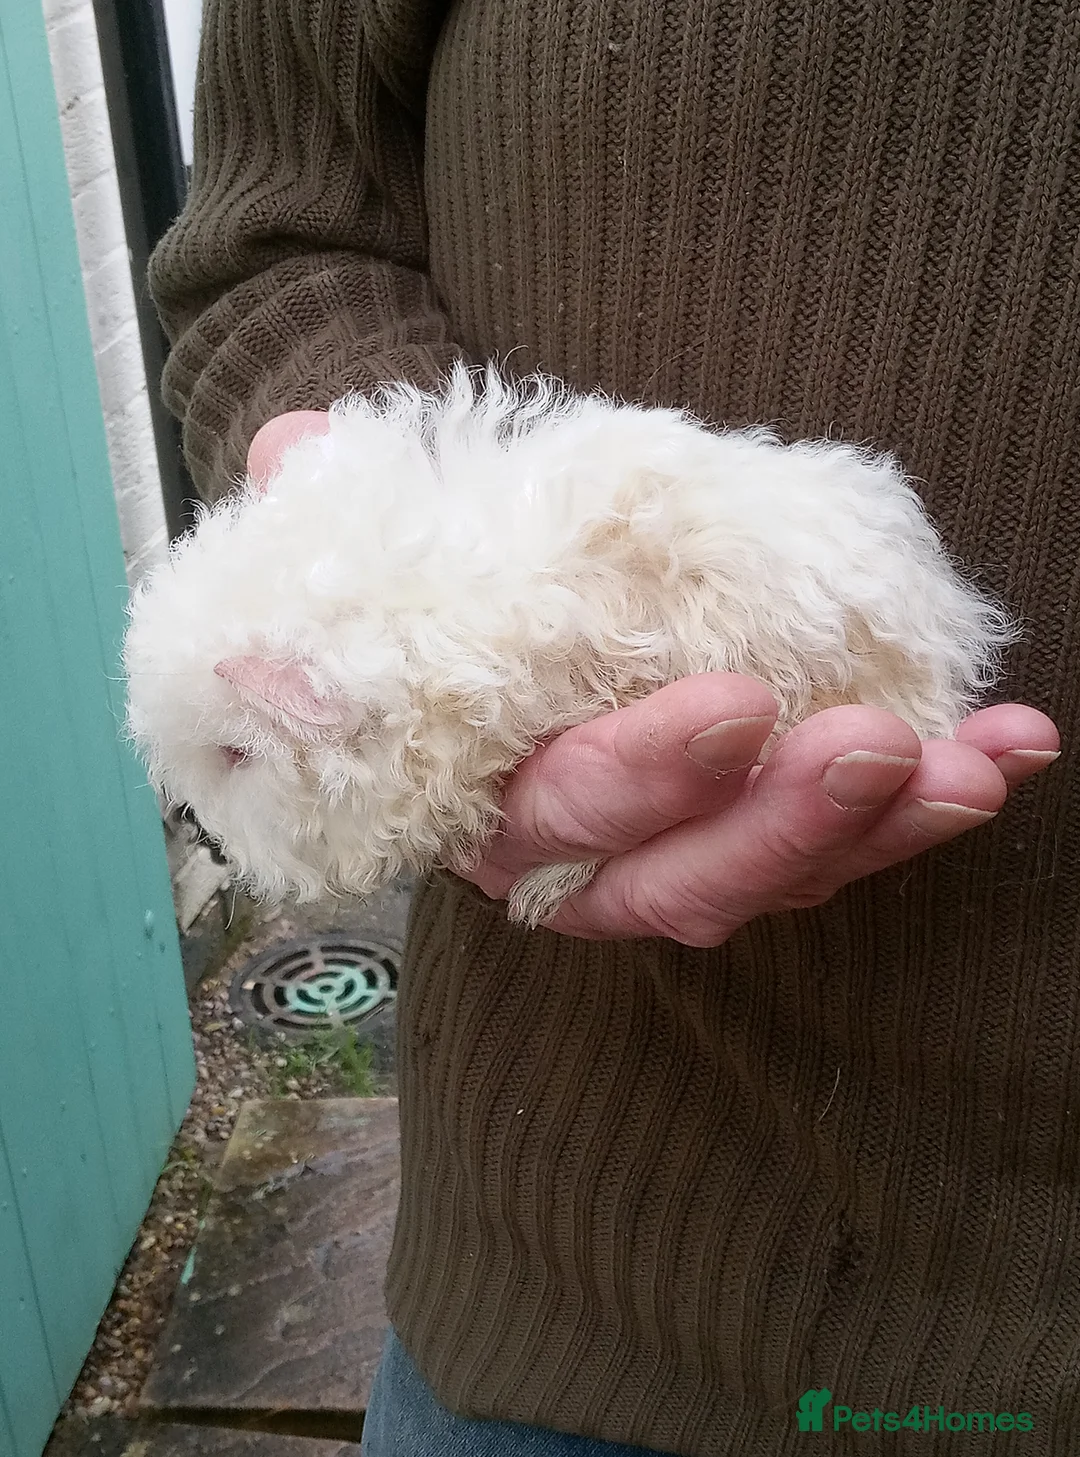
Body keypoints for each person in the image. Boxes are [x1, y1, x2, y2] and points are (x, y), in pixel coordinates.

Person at [147, 2, 1076, 1452]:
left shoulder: (457, 662)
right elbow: (274, 239)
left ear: (300, 704)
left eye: (233, 759)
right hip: (567, 1272)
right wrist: (311, 428)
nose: (213, 812)